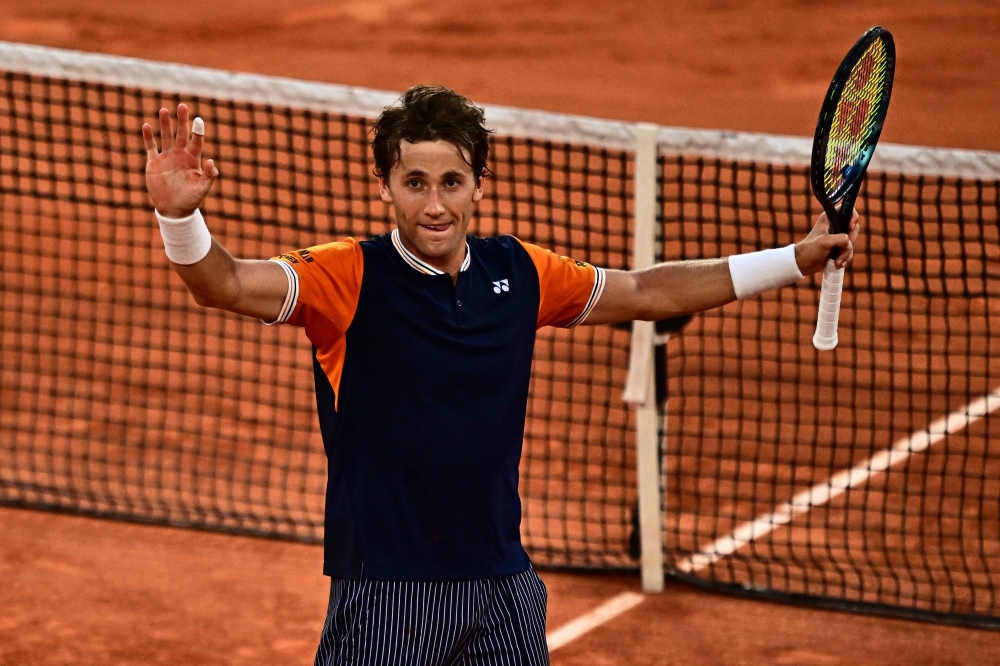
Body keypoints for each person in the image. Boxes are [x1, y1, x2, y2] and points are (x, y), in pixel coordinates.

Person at [141, 85, 859, 666]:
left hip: (504, 586)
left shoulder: (519, 272)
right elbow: (226, 284)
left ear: (479, 186)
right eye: (414, 183)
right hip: (388, 591)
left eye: (451, 182)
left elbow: (645, 290)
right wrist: (181, 222)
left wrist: (791, 261)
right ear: (384, 186)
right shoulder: (346, 276)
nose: (434, 205)